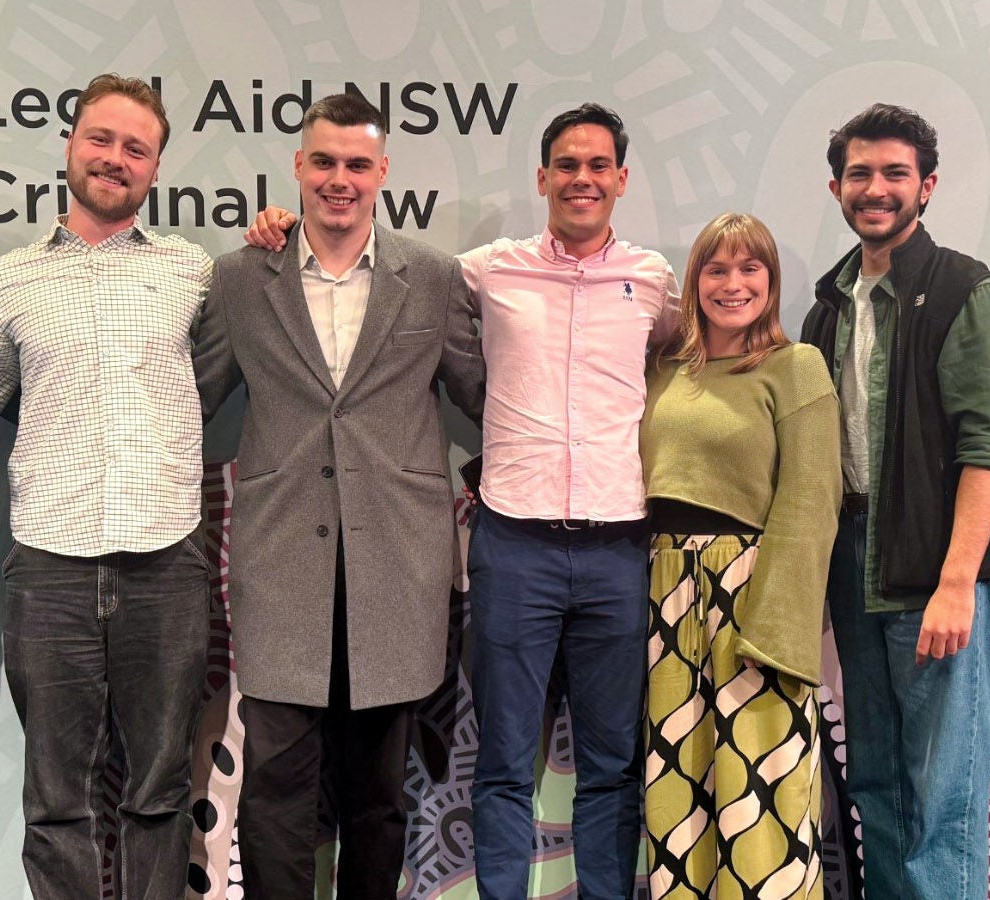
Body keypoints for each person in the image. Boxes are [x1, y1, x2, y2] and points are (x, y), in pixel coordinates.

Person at [245, 102, 677, 899]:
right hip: (512, 547)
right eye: (566, 165)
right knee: (506, 764)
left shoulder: (654, 284)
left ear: (620, 178)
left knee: (613, 766)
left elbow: (687, 370)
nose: (581, 178)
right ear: (542, 178)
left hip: (618, 548)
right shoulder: (479, 269)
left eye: (597, 166)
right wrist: (274, 226)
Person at [193, 92, 486, 899]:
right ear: (297, 166)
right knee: (275, 798)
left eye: (357, 164)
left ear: (382, 172)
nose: (339, 179)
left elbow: (488, 395)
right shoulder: (242, 279)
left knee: (378, 800)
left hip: (396, 574)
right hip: (282, 571)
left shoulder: (429, 279)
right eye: (323, 161)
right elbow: (187, 397)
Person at [0, 73, 213, 899]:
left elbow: (212, 381)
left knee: (158, 791)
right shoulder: (6, 280)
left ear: (156, 168)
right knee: (57, 802)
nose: (115, 159)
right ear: (71, 146)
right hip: (49, 563)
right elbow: (2, 395)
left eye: (135, 148)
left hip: (166, 558)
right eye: (101, 140)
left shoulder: (195, 273)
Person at [802, 103, 990, 899]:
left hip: (936, 573)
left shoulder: (969, 290)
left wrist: (958, 583)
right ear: (836, 187)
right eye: (860, 173)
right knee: (879, 791)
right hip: (855, 568)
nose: (877, 188)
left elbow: (988, 450)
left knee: (944, 803)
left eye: (896, 173)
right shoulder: (829, 305)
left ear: (927, 186)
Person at [639, 212, 840, 899]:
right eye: (716, 269)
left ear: (771, 281)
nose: (732, 284)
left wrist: (777, 628)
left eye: (749, 268)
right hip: (664, 594)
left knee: (762, 798)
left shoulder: (795, 367)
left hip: (752, 595)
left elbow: (813, 499)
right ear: (694, 283)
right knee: (678, 796)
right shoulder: (663, 370)